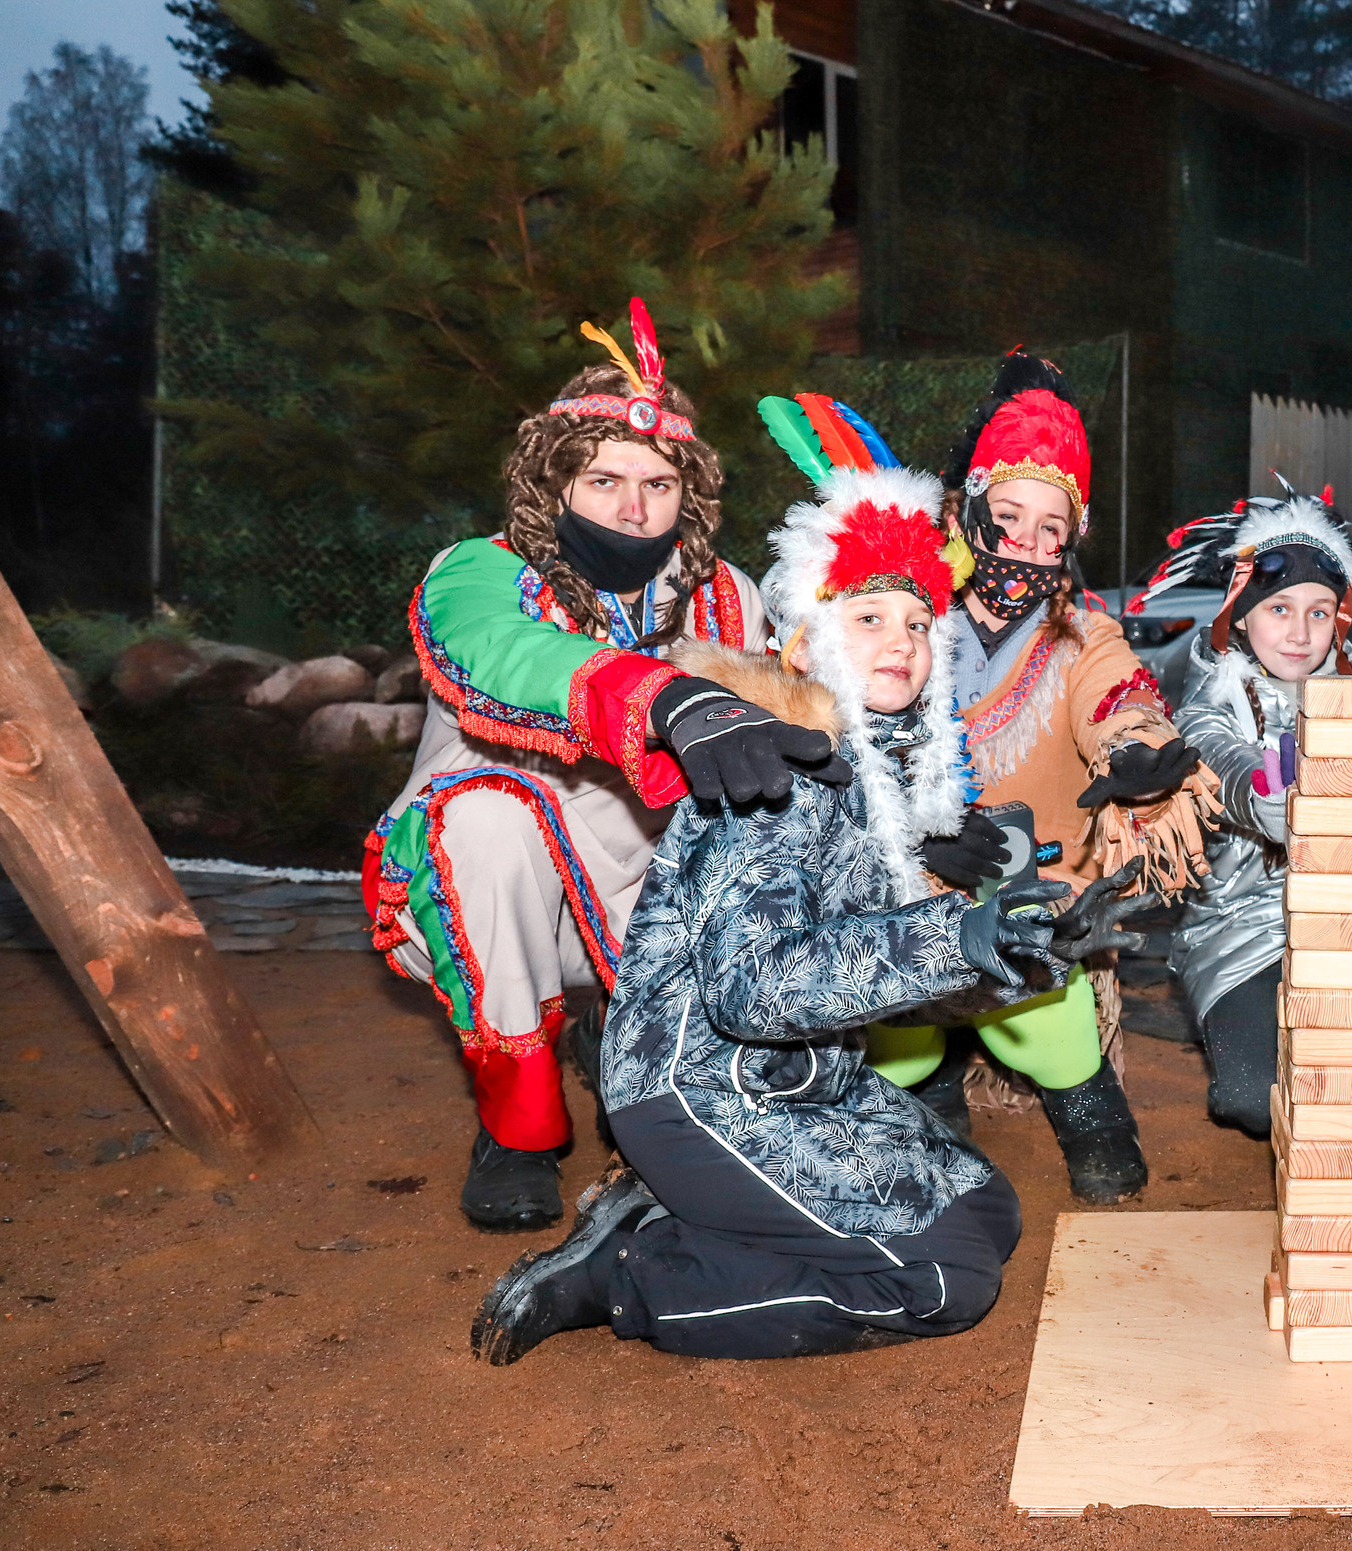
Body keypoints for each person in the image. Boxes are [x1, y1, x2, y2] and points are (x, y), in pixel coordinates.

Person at [468, 459, 1146, 1365]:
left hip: (803, 1077)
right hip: (697, 1090)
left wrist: (1015, 955)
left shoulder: (876, 770)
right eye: (867, 618)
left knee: (985, 1206)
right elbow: (757, 987)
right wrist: (958, 933)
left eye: (916, 621)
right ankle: (623, 1269)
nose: (900, 639)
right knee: (942, 1279)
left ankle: (682, 1208)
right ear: (803, 644)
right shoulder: (774, 772)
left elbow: (874, 976)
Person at [367, 301, 843, 1233]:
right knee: (487, 813)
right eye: (603, 480)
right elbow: (506, 655)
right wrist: (666, 699)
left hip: (647, 876)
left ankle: (622, 1041)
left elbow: (815, 718)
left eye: (659, 483)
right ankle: (518, 1124)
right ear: (555, 485)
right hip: (492, 884)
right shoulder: (480, 571)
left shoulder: (724, 595)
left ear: (689, 493)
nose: (634, 508)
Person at [867, 351, 1214, 1204]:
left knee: (1049, 1016)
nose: (1024, 542)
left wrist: (1135, 752)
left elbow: (1119, 696)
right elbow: (845, 739)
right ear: (969, 511)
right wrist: (917, 840)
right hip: (910, 895)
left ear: (1072, 538)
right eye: (1008, 515)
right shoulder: (907, 620)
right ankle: (932, 1085)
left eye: (1049, 527)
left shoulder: (1081, 636)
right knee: (892, 1035)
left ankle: (1089, 1104)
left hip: (1040, 900)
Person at [1140, 481, 1352, 1135]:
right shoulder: (1211, 698)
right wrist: (1265, 800)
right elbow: (1216, 754)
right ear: (1241, 615)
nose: (1301, 633)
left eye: (1319, 611)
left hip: (1345, 928)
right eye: (1279, 609)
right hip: (1239, 933)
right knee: (1254, 1097)